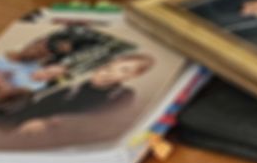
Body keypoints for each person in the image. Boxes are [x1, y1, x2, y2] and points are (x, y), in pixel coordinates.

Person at [13, 53, 157, 133]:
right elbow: (38, 105)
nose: (112, 72)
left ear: (132, 77)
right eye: (109, 67)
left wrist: (48, 123)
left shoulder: (123, 95)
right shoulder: (73, 85)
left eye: (124, 70)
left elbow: (101, 123)